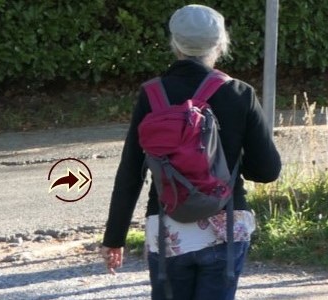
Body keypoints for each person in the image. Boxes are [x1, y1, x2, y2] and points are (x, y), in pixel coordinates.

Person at [101, 4, 283, 300]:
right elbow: (268, 170)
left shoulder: (152, 94)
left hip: (167, 228)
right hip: (225, 226)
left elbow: (131, 171)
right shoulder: (240, 93)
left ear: (175, 43)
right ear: (221, 43)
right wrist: (232, 161)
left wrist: (114, 238)